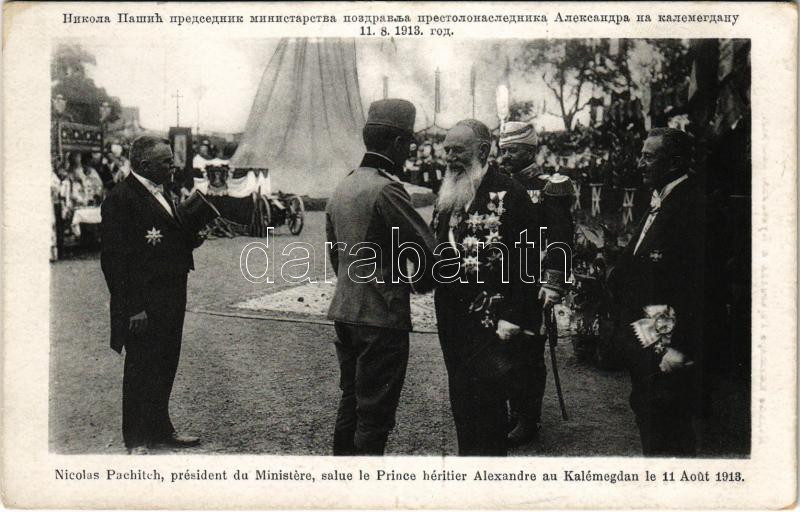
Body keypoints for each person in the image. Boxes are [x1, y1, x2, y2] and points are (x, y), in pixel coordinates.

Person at [325, 99, 437, 455]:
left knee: (351, 400)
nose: (409, 153)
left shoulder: (344, 186)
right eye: (409, 144)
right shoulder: (387, 189)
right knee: (375, 413)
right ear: (398, 143)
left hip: (345, 310)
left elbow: (335, 253)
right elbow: (426, 249)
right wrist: (421, 281)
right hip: (381, 317)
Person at [431, 119, 545, 456]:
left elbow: (528, 263)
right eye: (447, 150)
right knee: (462, 400)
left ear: (483, 150)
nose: (450, 157)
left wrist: (515, 316)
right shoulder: (448, 193)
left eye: (457, 150)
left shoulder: (511, 193)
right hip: (453, 321)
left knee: (490, 406)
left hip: (494, 320)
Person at [101, 135, 204, 455]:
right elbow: (114, 261)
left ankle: (160, 429)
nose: (173, 166)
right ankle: (136, 440)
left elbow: (168, 239)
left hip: (171, 296)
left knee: (165, 363)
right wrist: (133, 308)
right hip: (143, 302)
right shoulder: (120, 199)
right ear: (145, 165)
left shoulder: (163, 191)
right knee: (141, 368)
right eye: (166, 161)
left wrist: (193, 238)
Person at [608, 127, 705, 456]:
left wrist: (681, 347)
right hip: (647, 332)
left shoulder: (692, 206)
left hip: (668, 340)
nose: (640, 164)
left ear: (674, 162)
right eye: (641, 156)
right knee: (650, 414)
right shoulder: (663, 198)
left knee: (668, 425)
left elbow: (701, 286)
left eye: (648, 157)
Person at [498, 121, 575, 446]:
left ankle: (528, 418)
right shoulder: (499, 184)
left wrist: (554, 282)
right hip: (506, 279)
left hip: (533, 282)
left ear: (530, 150)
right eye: (502, 150)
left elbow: (561, 238)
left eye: (512, 150)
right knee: (503, 346)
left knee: (527, 351)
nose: (505, 157)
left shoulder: (549, 187)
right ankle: (511, 410)